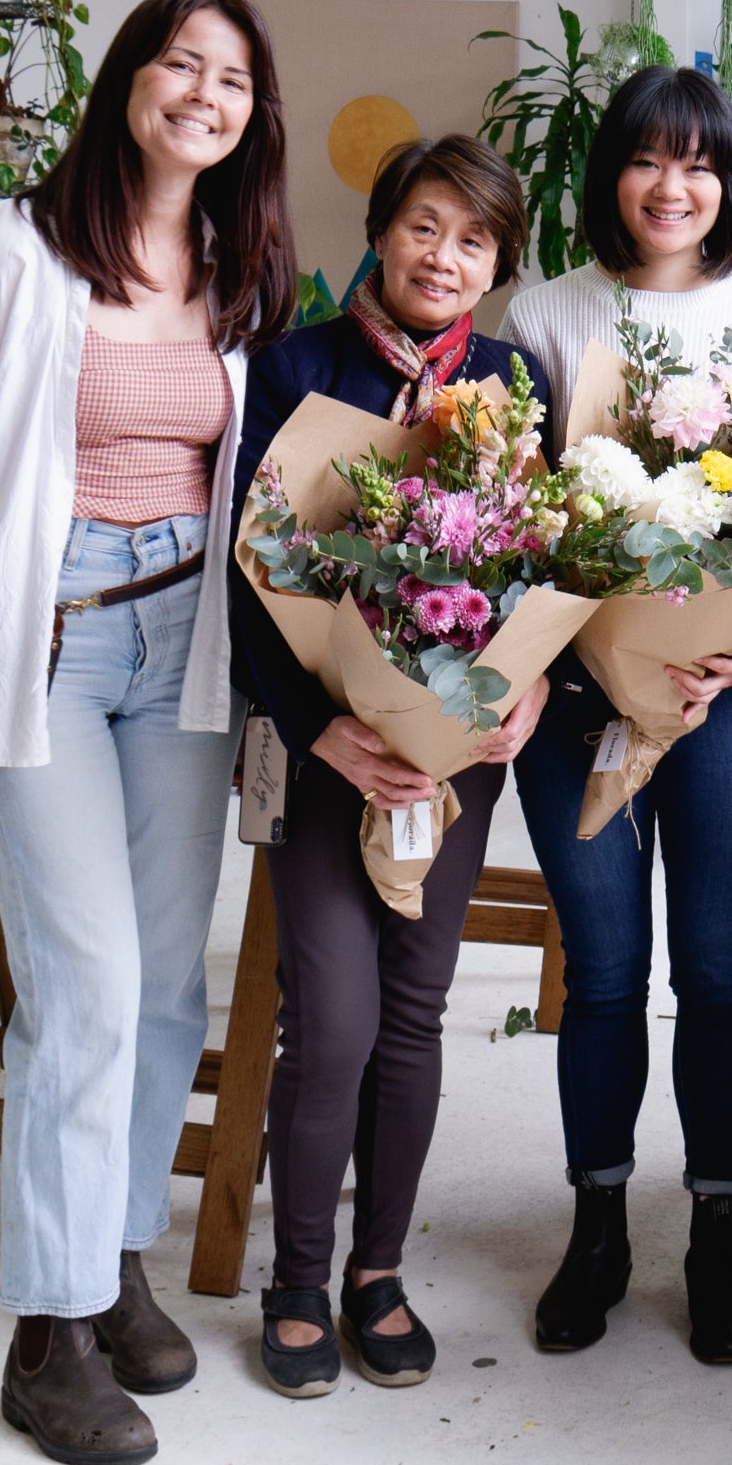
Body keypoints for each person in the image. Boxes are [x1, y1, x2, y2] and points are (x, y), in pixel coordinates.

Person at [0, 0, 295, 1465]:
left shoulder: (237, 260)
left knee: (158, 991)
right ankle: (49, 1329)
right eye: (180, 63)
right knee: (82, 979)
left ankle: (118, 1255)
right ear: (129, 79)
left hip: (179, 643)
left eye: (232, 77)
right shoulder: (17, 248)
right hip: (49, 638)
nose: (204, 92)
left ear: (251, 114)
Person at [503, 66, 732, 1365]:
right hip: (574, 698)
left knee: (716, 972)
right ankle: (597, 1225)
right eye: (648, 160)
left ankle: (716, 1230)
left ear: (728, 185)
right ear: (613, 179)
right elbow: (497, 513)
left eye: (699, 162)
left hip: (730, 705)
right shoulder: (539, 318)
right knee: (601, 975)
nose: (673, 186)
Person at [229, 136, 553, 1398]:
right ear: (381, 231)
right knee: (336, 1019)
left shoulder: (516, 383)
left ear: (497, 263)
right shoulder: (294, 368)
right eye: (424, 226)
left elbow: (561, 566)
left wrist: (526, 689)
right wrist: (322, 730)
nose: (443, 255)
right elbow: (248, 587)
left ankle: (378, 1272)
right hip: (319, 752)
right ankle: (297, 1277)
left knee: (415, 1014)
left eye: (472, 239)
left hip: (456, 762)